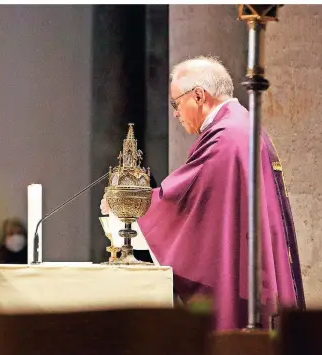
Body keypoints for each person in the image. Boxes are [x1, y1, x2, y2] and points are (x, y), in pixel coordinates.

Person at [100, 56, 305, 331]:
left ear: (198, 96)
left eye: (176, 103)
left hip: (246, 283)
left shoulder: (226, 138)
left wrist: (125, 206)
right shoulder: (243, 127)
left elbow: (186, 200)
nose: (175, 113)